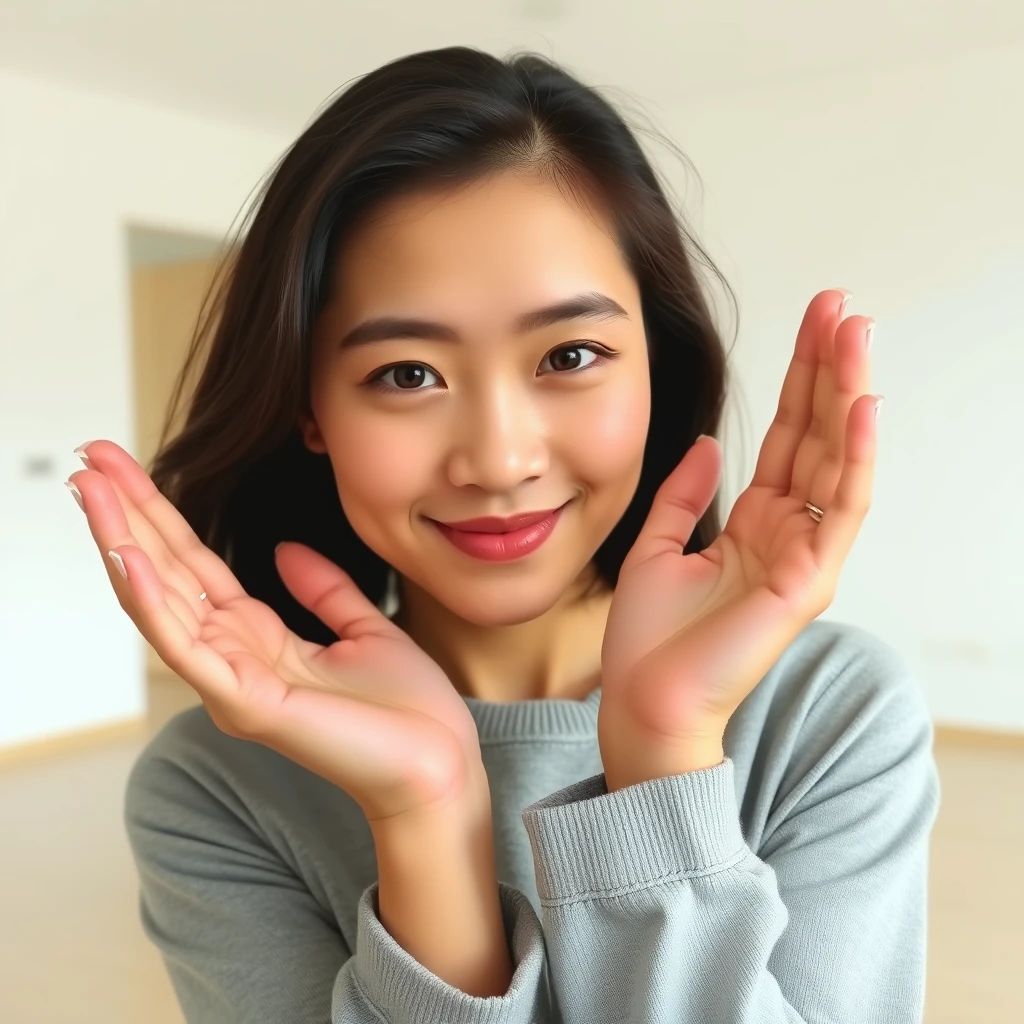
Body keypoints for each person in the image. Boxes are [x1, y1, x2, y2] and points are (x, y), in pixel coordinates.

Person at [66, 45, 939, 1024]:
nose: (496, 457)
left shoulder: (828, 714)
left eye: (569, 354)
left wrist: (661, 752)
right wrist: (424, 815)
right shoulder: (217, 787)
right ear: (310, 408)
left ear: (658, 365)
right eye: (406, 373)